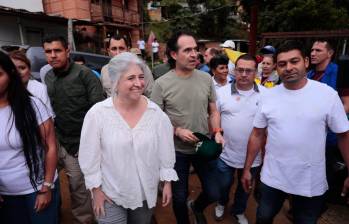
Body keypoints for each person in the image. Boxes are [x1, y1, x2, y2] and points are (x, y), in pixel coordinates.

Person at [241, 40, 349, 224]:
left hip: (309, 180)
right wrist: (247, 169)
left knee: (305, 220)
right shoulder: (268, 96)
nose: (288, 68)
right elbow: (257, 134)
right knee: (263, 216)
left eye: (294, 61)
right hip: (272, 177)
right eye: (282, 64)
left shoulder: (327, 95)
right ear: (276, 67)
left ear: (306, 62)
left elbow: (343, 135)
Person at [78, 52, 178, 224]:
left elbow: (165, 150)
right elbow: (89, 155)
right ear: (116, 81)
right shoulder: (98, 114)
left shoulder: (155, 114)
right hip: (110, 193)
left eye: (141, 77)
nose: (138, 83)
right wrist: (96, 190)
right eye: (131, 78)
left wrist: (167, 182)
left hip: (145, 193)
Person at [151, 31, 224, 224]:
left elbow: (214, 111)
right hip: (175, 151)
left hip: (203, 146)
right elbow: (155, 119)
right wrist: (176, 130)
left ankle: (197, 207)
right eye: (187, 50)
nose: (194, 54)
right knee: (179, 198)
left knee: (213, 192)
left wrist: (217, 132)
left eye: (195, 49)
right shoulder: (161, 84)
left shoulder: (206, 78)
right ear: (174, 55)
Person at [43, 35, 105, 224]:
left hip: (79, 144)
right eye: (48, 52)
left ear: (67, 50)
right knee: (47, 182)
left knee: (78, 188)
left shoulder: (84, 74)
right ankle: (54, 215)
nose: (53, 55)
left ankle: (84, 221)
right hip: (55, 140)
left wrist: (86, 145)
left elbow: (98, 112)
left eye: (57, 50)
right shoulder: (48, 77)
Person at [0, 51, 58, 224]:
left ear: (10, 75)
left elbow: (50, 146)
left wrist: (46, 187)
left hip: (36, 190)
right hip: (5, 196)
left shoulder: (33, 105)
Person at [214, 54, 264, 224]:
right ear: (234, 71)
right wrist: (216, 132)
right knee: (223, 185)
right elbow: (214, 115)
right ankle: (221, 203)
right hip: (226, 153)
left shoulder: (267, 94)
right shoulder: (221, 93)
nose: (243, 74)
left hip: (253, 157)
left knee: (245, 187)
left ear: (256, 73)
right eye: (240, 70)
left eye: (248, 71)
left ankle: (239, 210)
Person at [9, 50, 54, 115]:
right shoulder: (4, 90)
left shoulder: (39, 88)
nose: (18, 72)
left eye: (22, 68)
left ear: (29, 70)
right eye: (13, 69)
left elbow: (48, 117)